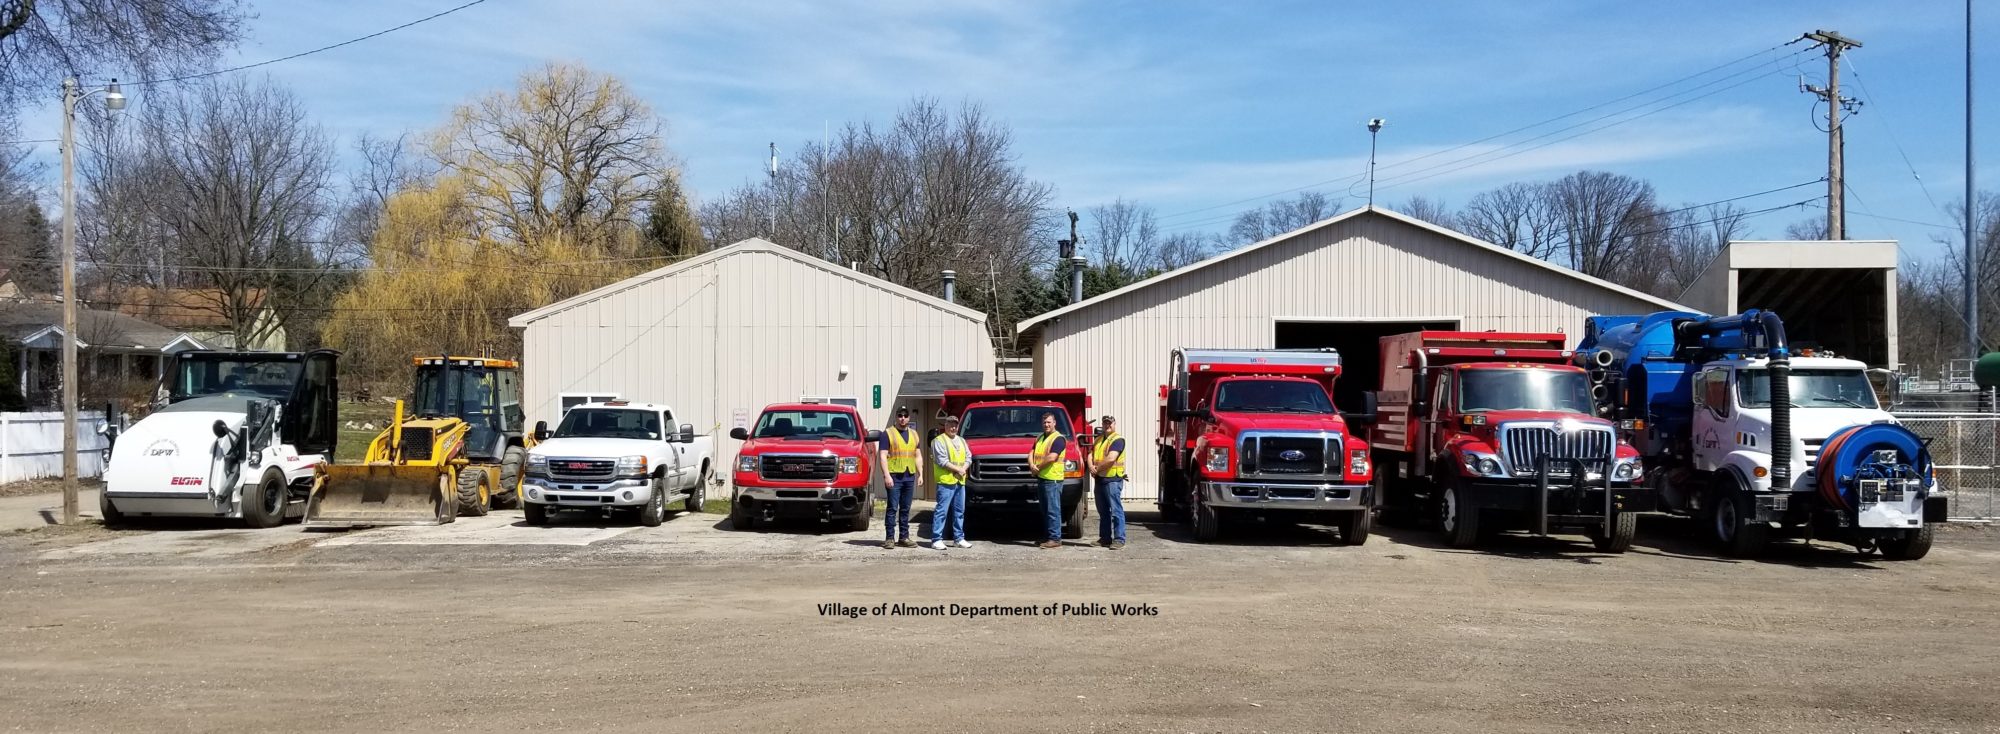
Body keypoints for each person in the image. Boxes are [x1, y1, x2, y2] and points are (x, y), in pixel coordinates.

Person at [877, 407, 923, 549]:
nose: (903, 418)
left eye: (905, 415)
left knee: (905, 508)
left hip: (909, 476)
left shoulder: (914, 434)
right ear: (896, 417)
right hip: (894, 476)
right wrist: (886, 475)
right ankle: (889, 538)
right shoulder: (887, 434)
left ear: (909, 418)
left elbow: (918, 455)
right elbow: (883, 456)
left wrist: (920, 473)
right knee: (892, 508)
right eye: (900, 415)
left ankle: (904, 537)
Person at [1027, 412, 1069, 549]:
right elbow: (1031, 453)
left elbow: (1052, 457)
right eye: (1044, 422)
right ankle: (1048, 537)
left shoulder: (1058, 439)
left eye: (1049, 422)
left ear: (1054, 423)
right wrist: (1032, 465)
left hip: (1053, 480)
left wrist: (1036, 467)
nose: (1046, 424)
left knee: (1053, 510)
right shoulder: (1040, 437)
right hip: (1042, 478)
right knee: (1045, 510)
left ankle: (1055, 539)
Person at [1086, 415, 1128, 549]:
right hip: (1100, 479)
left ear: (1114, 424)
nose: (1107, 425)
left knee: (1116, 511)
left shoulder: (1118, 439)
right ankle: (1105, 538)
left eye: (1109, 423)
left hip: (1112, 480)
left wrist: (1096, 469)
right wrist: (1090, 466)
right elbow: (1090, 454)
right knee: (1103, 512)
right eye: (1105, 423)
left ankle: (1119, 540)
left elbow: (1111, 459)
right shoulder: (1098, 439)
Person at [930, 415, 972, 550]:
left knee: (960, 511)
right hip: (946, 482)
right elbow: (942, 460)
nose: (953, 427)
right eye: (950, 424)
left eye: (955, 425)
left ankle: (958, 538)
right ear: (945, 426)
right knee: (942, 511)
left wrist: (963, 469)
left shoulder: (962, 441)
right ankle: (936, 538)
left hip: (960, 481)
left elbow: (969, 457)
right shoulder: (939, 441)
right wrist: (959, 469)